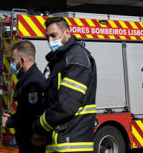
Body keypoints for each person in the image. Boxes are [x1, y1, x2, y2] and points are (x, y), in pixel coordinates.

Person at [32, 16, 97, 153]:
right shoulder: (62, 60)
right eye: (47, 37)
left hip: (70, 144)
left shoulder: (75, 59)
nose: (50, 41)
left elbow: (65, 106)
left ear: (67, 32)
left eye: (53, 35)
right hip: (61, 142)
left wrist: (39, 127)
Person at [2, 40, 46, 153]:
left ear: (22, 60)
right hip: (27, 143)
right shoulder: (26, 80)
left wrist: (9, 122)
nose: (11, 64)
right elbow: (26, 111)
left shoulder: (33, 84)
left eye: (13, 60)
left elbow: (31, 117)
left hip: (33, 145)